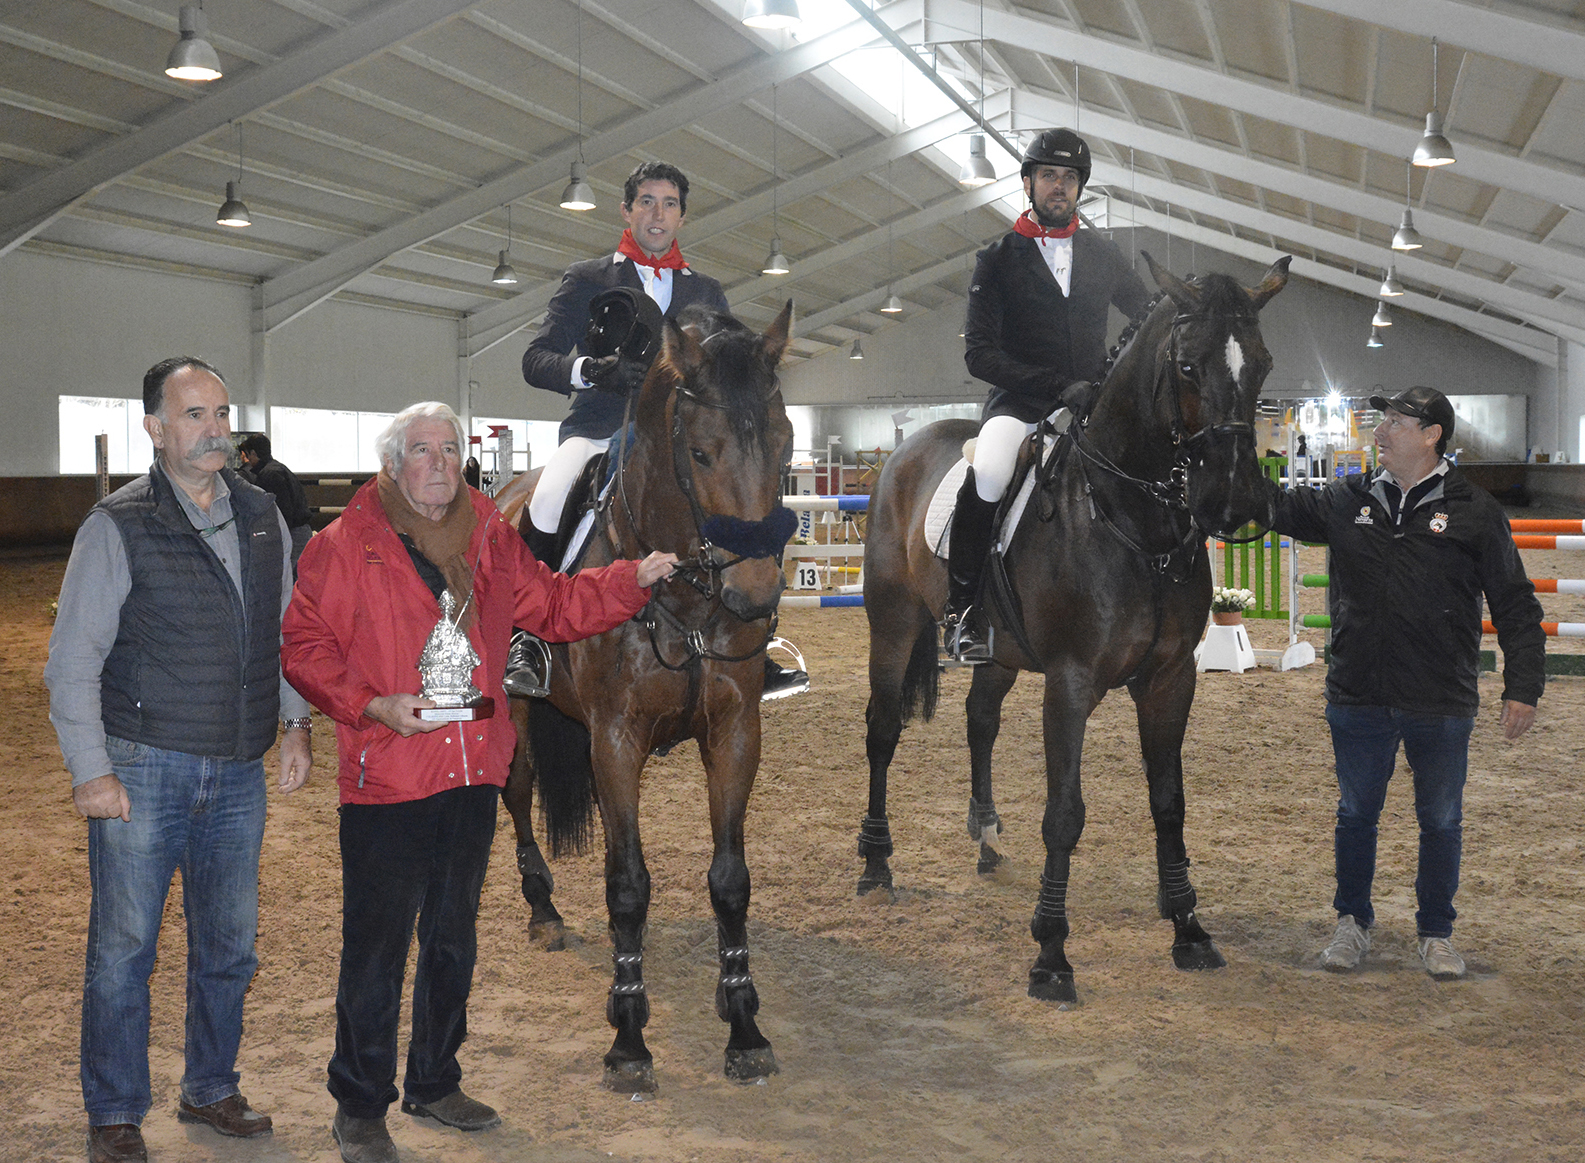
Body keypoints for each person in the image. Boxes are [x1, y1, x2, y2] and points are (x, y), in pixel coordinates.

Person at [280, 402, 676, 1163]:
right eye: (421, 450)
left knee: (452, 939)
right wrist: (370, 705)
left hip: (469, 772)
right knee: (377, 949)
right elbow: (303, 645)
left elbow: (555, 605)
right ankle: (359, 1105)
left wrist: (632, 578)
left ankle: (434, 1077)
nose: (437, 462)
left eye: (449, 448)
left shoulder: (490, 536)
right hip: (389, 775)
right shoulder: (345, 544)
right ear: (393, 463)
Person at [44, 357, 312, 1163]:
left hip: (236, 768)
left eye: (222, 415)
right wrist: (90, 769)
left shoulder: (262, 514)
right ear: (156, 429)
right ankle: (116, 1109)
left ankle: (211, 1085)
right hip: (143, 767)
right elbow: (71, 660)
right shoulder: (116, 524)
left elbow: (289, 629)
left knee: (229, 943)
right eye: (194, 415)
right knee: (125, 948)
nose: (213, 431)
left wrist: (295, 721)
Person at [1268, 386, 1544, 980]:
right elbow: (1275, 506)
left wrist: (1523, 685)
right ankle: (1351, 923)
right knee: (1355, 815)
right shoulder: (1349, 497)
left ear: (1431, 435)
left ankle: (1436, 933)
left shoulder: (1475, 510)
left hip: (1439, 696)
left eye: (1396, 421)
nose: (1381, 430)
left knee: (1441, 820)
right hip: (1358, 690)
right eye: (1382, 420)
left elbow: (1516, 605)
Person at [520, 159, 809, 700]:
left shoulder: (708, 291)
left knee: (743, 504)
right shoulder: (588, 278)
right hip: (600, 430)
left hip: (683, 442)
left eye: (670, 203)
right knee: (549, 497)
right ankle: (526, 640)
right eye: (647, 201)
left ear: (681, 216)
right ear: (627, 210)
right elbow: (536, 358)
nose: (658, 213)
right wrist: (590, 370)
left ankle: (755, 640)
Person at [949, 127, 1151, 661]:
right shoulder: (995, 260)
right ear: (1028, 183)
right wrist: (1057, 385)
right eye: (1048, 176)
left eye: (1068, 178)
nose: (1058, 187)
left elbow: (1149, 315)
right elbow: (980, 355)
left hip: (1091, 409)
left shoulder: (1104, 256)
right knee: (990, 471)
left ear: (1079, 188)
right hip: (1020, 406)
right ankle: (964, 611)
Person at [237, 432, 313, 575]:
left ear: (253, 453)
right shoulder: (277, 469)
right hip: (298, 531)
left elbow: (282, 512)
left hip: (292, 533)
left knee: (284, 577)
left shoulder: (270, 475)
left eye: (248, 455)